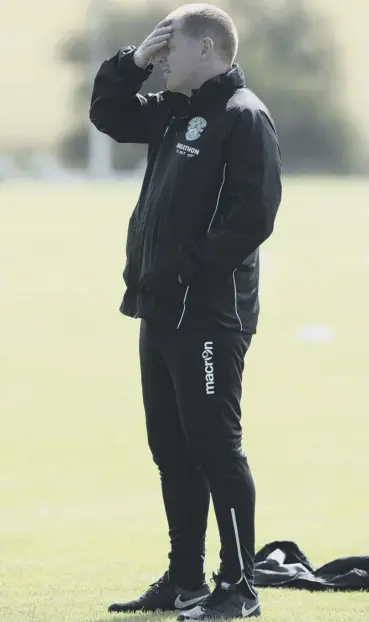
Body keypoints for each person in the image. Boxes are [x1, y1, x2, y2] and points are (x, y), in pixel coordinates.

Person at [89, 3, 282, 619]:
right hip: (158, 310)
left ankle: (239, 586)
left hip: (207, 316)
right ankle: (184, 579)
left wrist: (186, 267)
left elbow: (254, 216)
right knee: (171, 449)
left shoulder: (242, 117)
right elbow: (109, 114)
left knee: (214, 448)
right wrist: (132, 62)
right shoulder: (176, 112)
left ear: (205, 50)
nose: (161, 59)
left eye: (169, 49)